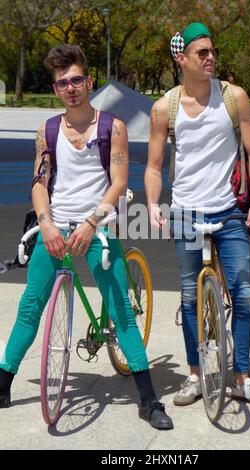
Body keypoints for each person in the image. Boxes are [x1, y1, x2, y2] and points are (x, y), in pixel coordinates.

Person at [0, 44, 173, 430]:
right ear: (56, 88)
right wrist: (45, 222)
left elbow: (120, 183)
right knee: (31, 306)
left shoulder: (113, 127)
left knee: (120, 311)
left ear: (89, 81)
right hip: (56, 226)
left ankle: (148, 400)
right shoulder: (47, 130)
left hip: (98, 226)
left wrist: (92, 222)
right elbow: (39, 182)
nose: (71, 88)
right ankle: (3, 382)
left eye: (76, 79)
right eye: (63, 83)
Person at [145, 22, 250, 409]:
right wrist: (153, 204)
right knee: (188, 297)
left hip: (230, 209)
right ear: (182, 59)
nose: (211, 57)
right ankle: (195, 375)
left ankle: (242, 377)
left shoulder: (234, 97)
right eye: (202, 53)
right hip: (186, 211)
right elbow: (153, 167)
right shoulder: (163, 107)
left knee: (245, 295)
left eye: (212, 51)